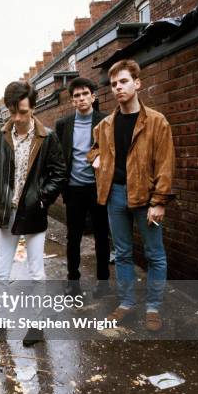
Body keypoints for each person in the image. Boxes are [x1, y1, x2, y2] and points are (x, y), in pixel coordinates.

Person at [88, 59, 175, 331]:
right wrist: (96, 158)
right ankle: (126, 303)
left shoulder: (156, 122)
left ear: (137, 83)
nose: (118, 88)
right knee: (123, 254)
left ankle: (153, 307)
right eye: (113, 84)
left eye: (123, 81)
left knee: (155, 254)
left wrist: (159, 201)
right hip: (115, 196)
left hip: (146, 197)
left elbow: (165, 163)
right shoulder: (105, 125)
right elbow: (93, 150)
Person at [0, 80, 66, 346]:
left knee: (36, 273)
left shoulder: (47, 137)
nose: (17, 118)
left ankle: (37, 326)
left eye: (23, 112)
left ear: (33, 108)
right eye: (12, 112)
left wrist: (42, 198)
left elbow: (59, 172)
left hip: (33, 213)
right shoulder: (3, 135)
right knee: (1, 273)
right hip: (8, 212)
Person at [56, 77, 111, 298]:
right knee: (73, 237)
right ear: (72, 101)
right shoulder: (64, 124)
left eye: (85, 94)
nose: (81, 98)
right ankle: (73, 281)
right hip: (74, 189)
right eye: (76, 96)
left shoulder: (105, 121)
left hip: (98, 188)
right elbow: (59, 157)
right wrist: (63, 187)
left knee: (101, 236)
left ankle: (103, 282)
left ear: (93, 96)